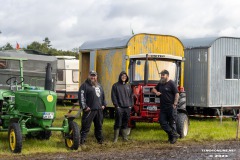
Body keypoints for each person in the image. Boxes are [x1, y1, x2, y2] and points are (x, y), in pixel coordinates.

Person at [78, 70, 107, 145]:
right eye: (91, 75)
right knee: (85, 127)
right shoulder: (84, 86)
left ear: (96, 77)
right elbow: (81, 97)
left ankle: (100, 140)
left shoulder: (99, 86)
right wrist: (84, 107)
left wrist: (104, 104)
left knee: (99, 126)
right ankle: (82, 141)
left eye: (94, 76)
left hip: (99, 110)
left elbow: (103, 96)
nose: (93, 77)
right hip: (89, 110)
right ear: (89, 76)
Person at [151, 69, 179, 144]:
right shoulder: (160, 83)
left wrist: (175, 104)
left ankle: (172, 139)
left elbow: (177, 94)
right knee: (162, 121)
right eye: (161, 75)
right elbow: (153, 89)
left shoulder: (171, 83)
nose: (162, 76)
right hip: (163, 107)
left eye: (163, 75)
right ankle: (173, 134)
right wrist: (156, 92)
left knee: (172, 123)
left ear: (167, 75)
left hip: (171, 106)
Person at [111, 71, 133, 142]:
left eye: (125, 76)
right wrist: (116, 106)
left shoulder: (128, 86)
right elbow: (113, 97)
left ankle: (125, 138)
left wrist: (130, 105)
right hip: (119, 107)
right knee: (118, 122)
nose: (124, 77)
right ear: (120, 77)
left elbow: (131, 97)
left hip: (127, 108)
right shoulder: (115, 86)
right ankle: (115, 139)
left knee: (125, 122)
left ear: (126, 78)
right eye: (122, 76)